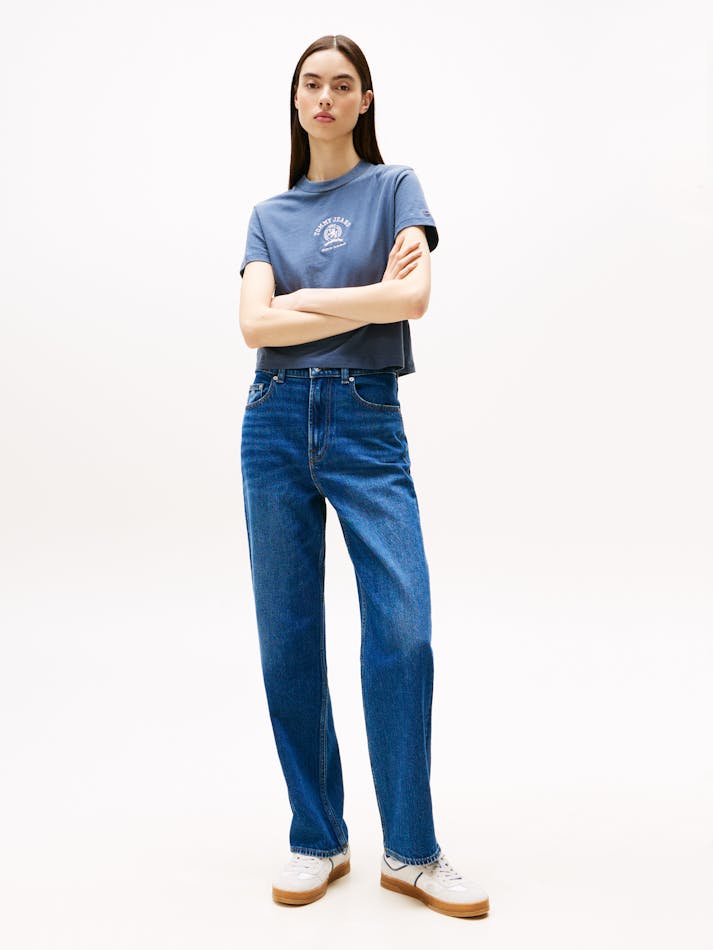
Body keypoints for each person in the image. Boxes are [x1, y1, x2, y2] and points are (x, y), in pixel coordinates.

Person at [238, 33, 490, 919]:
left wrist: (300, 299)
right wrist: (354, 301)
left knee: (403, 630)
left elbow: (410, 300)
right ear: (295, 99)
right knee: (288, 638)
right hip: (272, 419)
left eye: (342, 85)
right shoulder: (267, 213)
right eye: (311, 84)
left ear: (364, 100)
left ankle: (411, 851)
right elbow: (253, 328)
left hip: (365, 417)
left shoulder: (394, 189)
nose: (325, 98)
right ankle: (318, 837)